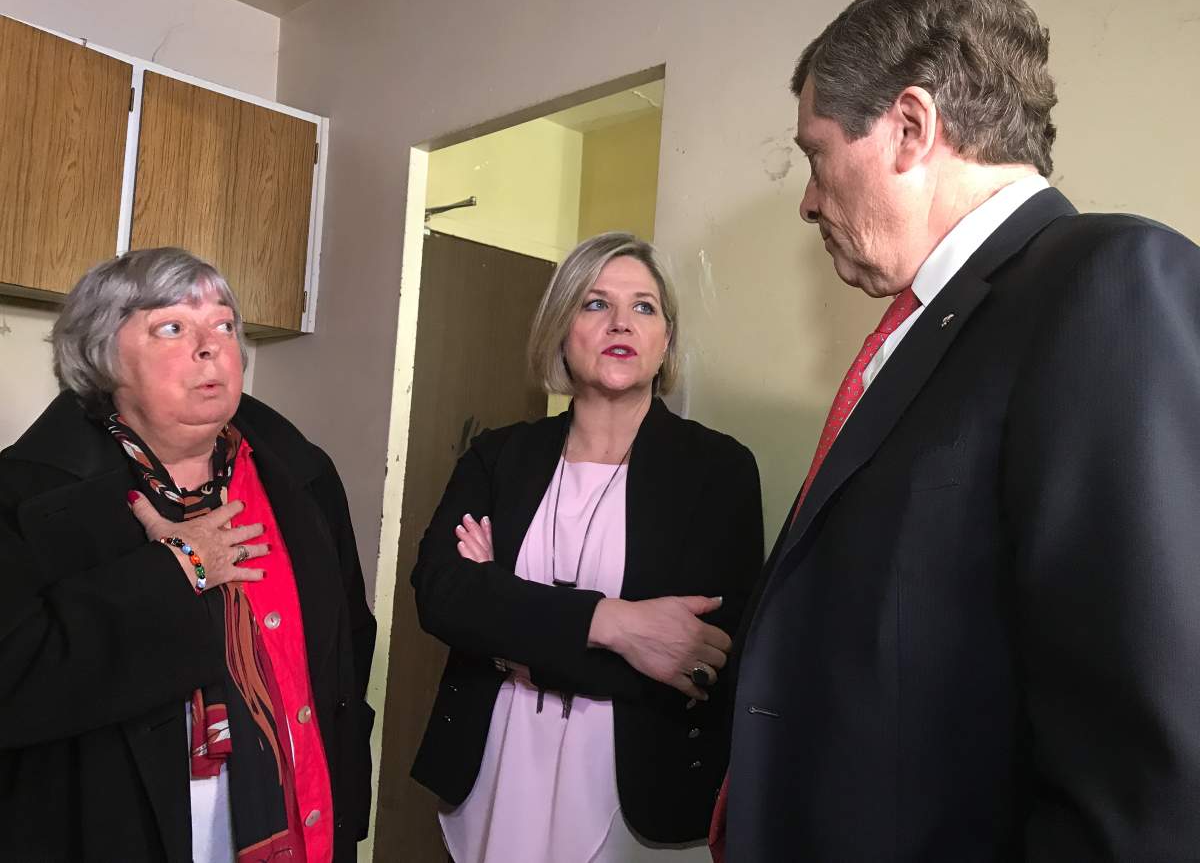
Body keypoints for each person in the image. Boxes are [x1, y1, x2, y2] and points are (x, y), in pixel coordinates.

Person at [711, 0, 1200, 860]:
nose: (809, 199)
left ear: (909, 127)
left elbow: (1148, 772)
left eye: (817, 156)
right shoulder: (932, 326)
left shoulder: (1107, 283)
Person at [0, 248, 376, 862]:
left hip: (300, 821)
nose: (212, 348)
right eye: (171, 327)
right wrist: (177, 571)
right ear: (102, 356)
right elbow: (13, 679)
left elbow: (346, 646)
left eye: (224, 325)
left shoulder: (303, 473)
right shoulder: (26, 494)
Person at [410, 232, 763, 861]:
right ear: (560, 327)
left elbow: (703, 660)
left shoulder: (718, 470)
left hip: (637, 786)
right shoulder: (499, 456)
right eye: (595, 303)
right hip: (493, 768)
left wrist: (510, 628)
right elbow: (443, 596)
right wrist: (618, 624)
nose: (622, 322)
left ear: (666, 339)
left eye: (645, 307)